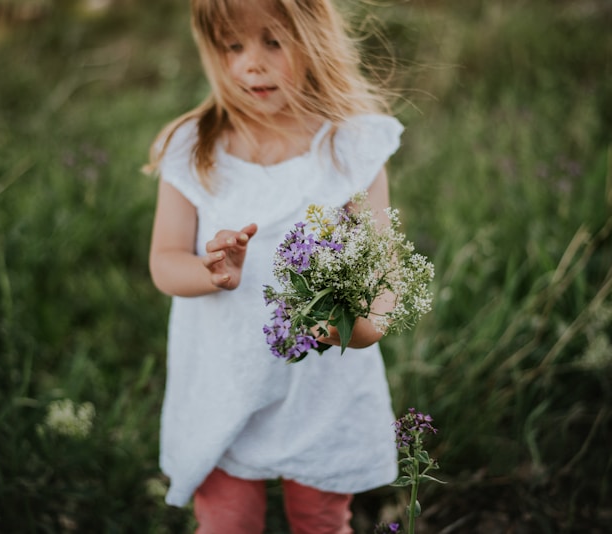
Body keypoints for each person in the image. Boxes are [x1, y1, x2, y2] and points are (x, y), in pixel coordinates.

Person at [146, 1, 404, 532]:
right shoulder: (194, 148)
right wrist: (210, 272)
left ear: (313, 38)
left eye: (272, 41)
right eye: (232, 46)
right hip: (223, 378)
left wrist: (361, 327)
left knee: (319, 519)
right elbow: (164, 263)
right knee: (227, 521)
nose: (250, 64)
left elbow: (382, 267)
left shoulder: (348, 147)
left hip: (317, 391)